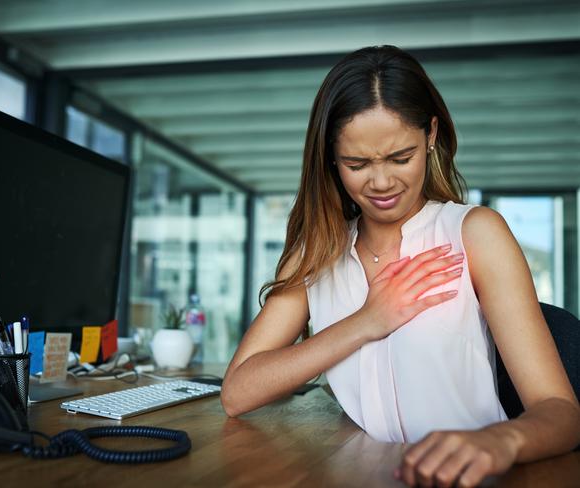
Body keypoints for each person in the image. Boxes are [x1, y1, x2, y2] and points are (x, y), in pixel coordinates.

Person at [220, 45, 580, 487]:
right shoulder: (318, 252)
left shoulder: (475, 232)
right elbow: (237, 393)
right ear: (331, 156)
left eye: (400, 157)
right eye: (357, 163)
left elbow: (560, 412)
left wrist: (501, 440)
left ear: (431, 136)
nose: (382, 182)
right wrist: (367, 321)